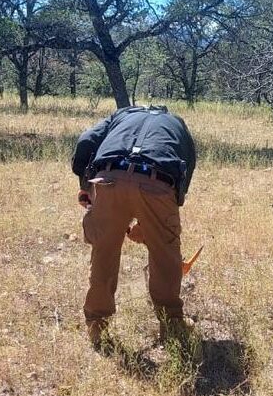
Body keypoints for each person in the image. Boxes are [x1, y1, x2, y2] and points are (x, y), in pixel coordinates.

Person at [71, 104, 198, 349]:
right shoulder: (177, 124)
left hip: (107, 177)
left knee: (104, 251)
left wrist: (87, 187)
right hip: (159, 181)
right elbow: (186, 168)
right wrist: (155, 223)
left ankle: (98, 325)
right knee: (165, 253)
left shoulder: (122, 115)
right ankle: (171, 323)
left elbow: (86, 141)